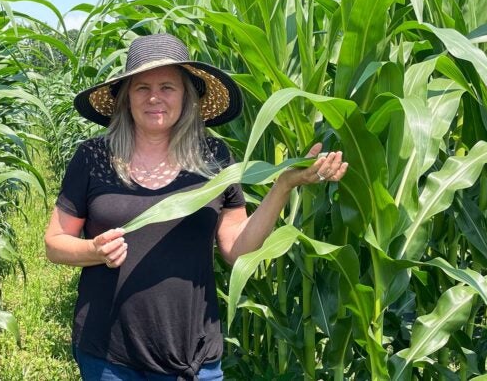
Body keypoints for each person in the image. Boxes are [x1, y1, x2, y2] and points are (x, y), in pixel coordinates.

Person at [44, 33, 348, 381]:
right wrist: (93, 250)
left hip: (193, 355)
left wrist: (283, 185)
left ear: (188, 96)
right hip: (109, 356)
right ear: (126, 98)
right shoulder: (94, 157)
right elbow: (55, 243)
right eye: (142, 88)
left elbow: (236, 250)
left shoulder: (214, 158)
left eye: (168, 87)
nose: (154, 97)